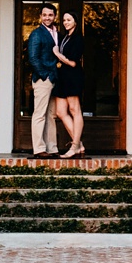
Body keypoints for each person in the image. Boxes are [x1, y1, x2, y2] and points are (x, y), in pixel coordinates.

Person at [25, 4, 61, 158]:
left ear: (55, 16)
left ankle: (52, 148)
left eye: (50, 15)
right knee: (39, 113)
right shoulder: (36, 34)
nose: (47, 18)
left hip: (56, 79)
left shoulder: (57, 33)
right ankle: (39, 149)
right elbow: (33, 58)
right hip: (43, 79)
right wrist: (45, 74)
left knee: (51, 114)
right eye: (45, 15)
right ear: (40, 16)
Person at [52, 11, 86, 159]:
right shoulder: (65, 37)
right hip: (62, 76)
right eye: (64, 20)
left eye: (69, 20)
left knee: (74, 109)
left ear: (75, 22)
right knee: (60, 112)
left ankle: (74, 146)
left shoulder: (78, 39)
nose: (66, 22)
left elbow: (72, 62)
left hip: (72, 76)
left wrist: (58, 54)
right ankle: (79, 144)